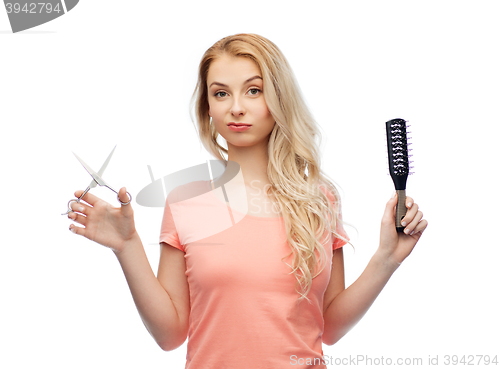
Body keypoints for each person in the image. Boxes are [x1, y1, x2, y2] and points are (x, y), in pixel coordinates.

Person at [67, 33, 428, 368]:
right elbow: (170, 334)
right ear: (207, 106)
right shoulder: (186, 202)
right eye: (221, 93)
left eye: (253, 91)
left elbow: (329, 325)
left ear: (278, 98)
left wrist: (386, 258)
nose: (236, 108)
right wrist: (127, 245)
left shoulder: (319, 200)